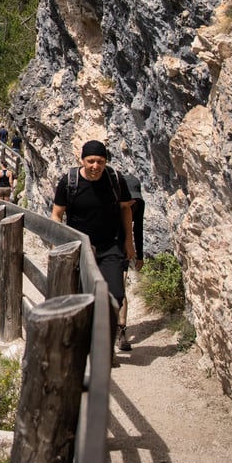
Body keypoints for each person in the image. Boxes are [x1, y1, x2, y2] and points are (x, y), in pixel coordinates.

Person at [52, 140, 136, 353]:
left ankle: (105, 339)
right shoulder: (69, 182)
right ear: (82, 160)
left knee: (116, 294)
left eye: (100, 161)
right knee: (84, 296)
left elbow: (125, 208)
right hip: (81, 248)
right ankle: (95, 347)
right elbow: (57, 214)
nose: (95, 166)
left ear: (106, 161)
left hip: (111, 246)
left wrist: (129, 241)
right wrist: (59, 246)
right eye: (91, 161)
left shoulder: (115, 180)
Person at [119, 171, 145, 269]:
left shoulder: (138, 204)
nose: (132, 201)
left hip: (125, 241)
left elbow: (138, 229)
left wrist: (140, 256)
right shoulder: (112, 204)